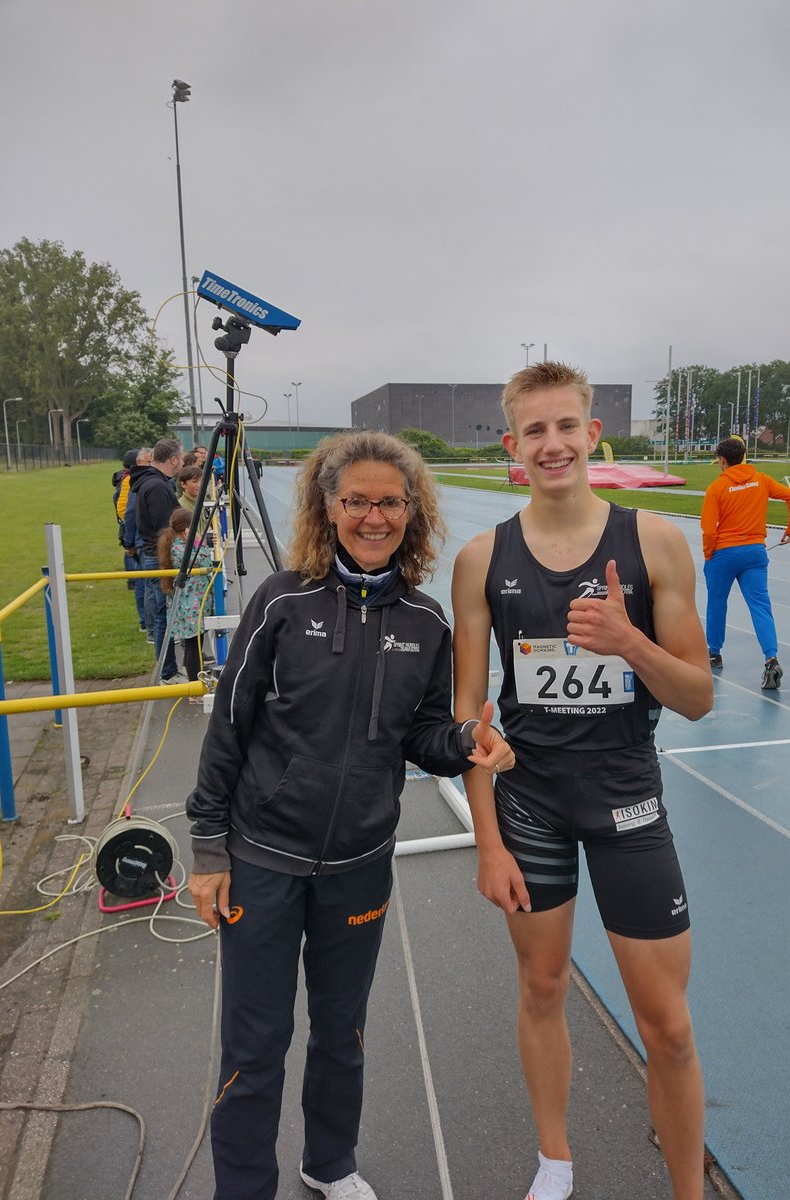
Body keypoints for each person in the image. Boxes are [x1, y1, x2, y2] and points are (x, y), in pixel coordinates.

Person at [186, 430, 515, 1200]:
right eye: (357, 501)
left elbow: (428, 736)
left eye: (390, 502)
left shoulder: (428, 622)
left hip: (361, 866)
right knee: (256, 1042)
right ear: (329, 507)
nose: (375, 517)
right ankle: (242, 1188)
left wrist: (468, 739)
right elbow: (228, 726)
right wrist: (208, 851)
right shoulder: (281, 600)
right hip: (263, 860)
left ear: (413, 511)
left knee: (344, 1035)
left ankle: (329, 1162)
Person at [451, 362, 714, 1200]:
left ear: (593, 435)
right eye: (536, 431)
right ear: (513, 447)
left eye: (567, 426)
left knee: (668, 1027)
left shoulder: (657, 543)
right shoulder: (481, 558)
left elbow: (700, 698)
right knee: (542, 985)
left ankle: (686, 1189)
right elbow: (470, 720)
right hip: (530, 806)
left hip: (628, 801)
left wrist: (630, 644)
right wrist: (486, 841)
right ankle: (555, 1162)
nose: (553, 443)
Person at [700, 436, 790, 689]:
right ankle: (771, 658)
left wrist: (709, 553)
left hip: (723, 553)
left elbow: (709, 529)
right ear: (742, 457)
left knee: (716, 603)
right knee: (760, 606)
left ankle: (714, 653)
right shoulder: (762, 480)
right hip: (755, 552)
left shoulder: (717, 488)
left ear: (722, 461)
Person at [132, 437, 183, 681]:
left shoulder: (152, 483)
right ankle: (167, 672)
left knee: (161, 614)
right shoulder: (158, 488)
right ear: (173, 459)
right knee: (164, 616)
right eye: (181, 458)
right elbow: (166, 528)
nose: (182, 462)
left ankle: (167, 668)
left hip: (151, 553)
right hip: (158, 556)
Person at [158, 507, 215, 697]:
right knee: (193, 645)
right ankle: (195, 687)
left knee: (195, 644)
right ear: (186, 530)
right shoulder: (180, 549)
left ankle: (194, 678)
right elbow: (206, 561)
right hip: (190, 606)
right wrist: (200, 541)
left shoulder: (176, 544)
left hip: (191, 604)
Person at [121, 447, 153, 635]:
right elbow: (128, 513)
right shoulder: (135, 482)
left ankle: (149, 626)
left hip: (142, 540)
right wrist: (129, 542)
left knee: (148, 585)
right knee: (146, 585)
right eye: (149, 462)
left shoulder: (141, 481)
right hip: (143, 541)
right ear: (140, 463)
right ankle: (147, 626)